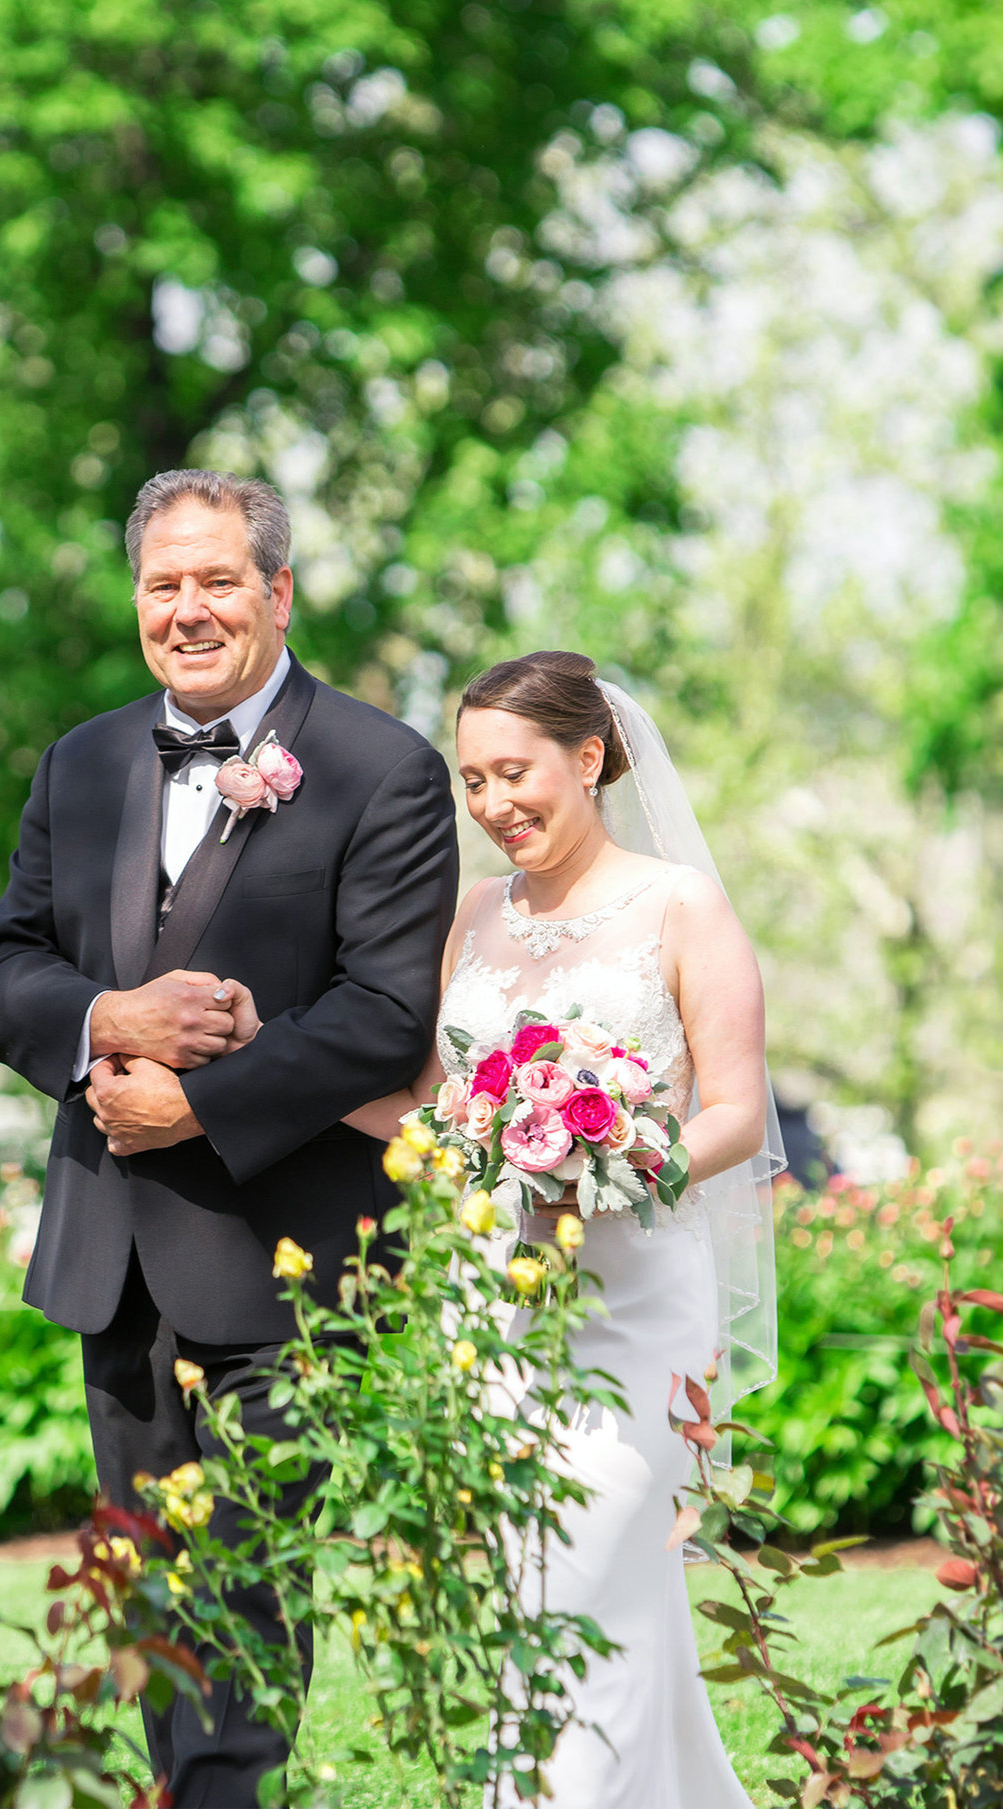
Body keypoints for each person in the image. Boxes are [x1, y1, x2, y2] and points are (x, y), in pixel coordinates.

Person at [0, 468, 458, 1802]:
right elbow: (1, 974)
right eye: (162, 583)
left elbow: (385, 1016)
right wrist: (108, 1014)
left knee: (242, 1592)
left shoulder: (384, 769)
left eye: (217, 579)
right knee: (150, 1596)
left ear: (278, 590)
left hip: (284, 1263)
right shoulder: (77, 765)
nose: (187, 609)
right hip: (111, 1260)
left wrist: (196, 1099)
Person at [344, 651, 779, 1808]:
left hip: (635, 1300)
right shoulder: (474, 915)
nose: (492, 807)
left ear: (587, 759)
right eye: (471, 781)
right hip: (494, 1308)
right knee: (557, 1599)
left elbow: (735, 1107)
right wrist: (280, 1078)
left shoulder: (679, 903)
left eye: (513, 773)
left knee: (586, 1578)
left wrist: (618, 1168)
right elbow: (442, 1105)